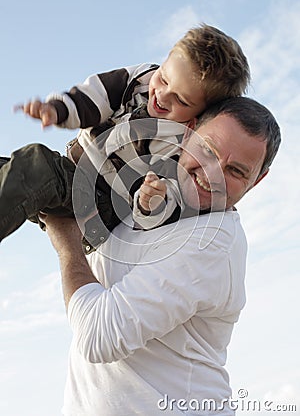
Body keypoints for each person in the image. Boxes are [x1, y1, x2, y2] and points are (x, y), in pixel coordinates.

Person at [40, 96, 281, 416]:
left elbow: (98, 335)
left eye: (235, 171)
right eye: (208, 150)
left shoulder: (211, 240)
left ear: (258, 181)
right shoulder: (142, 192)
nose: (213, 175)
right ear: (188, 132)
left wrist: (66, 244)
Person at [0, 24, 250, 252]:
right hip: (72, 170)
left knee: (36, 164)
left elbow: (175, 201)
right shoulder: (141, 79)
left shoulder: (184, 145)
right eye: (163, 79)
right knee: (11, 170)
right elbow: (95, 96)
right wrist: (57, 109)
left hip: (101, 206)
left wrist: (152, 200)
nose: (162, 96)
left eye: (181, 100)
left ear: (201, 114)